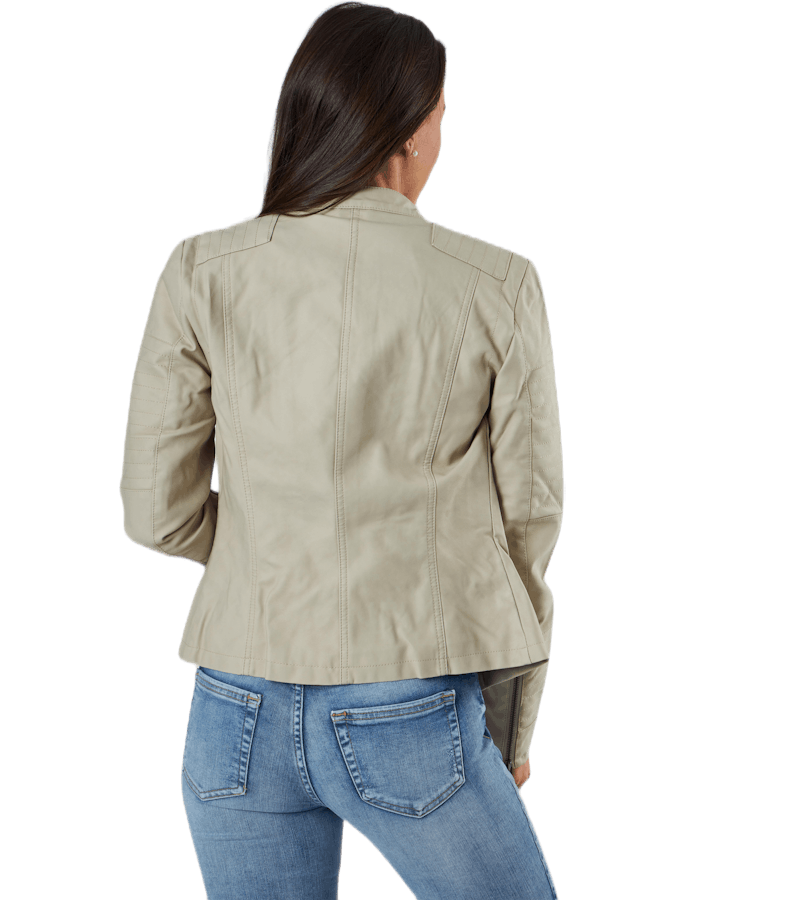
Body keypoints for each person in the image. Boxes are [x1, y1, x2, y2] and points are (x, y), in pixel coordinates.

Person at [118, 2, 564, 897]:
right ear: (410, 129)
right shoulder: (496, 283)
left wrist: (271, 546)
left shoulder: (202, 269)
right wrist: (510, 726)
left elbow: (155, 513)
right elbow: (528, 520)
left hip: (233, 705)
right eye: (444, 117)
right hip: (410, 701)